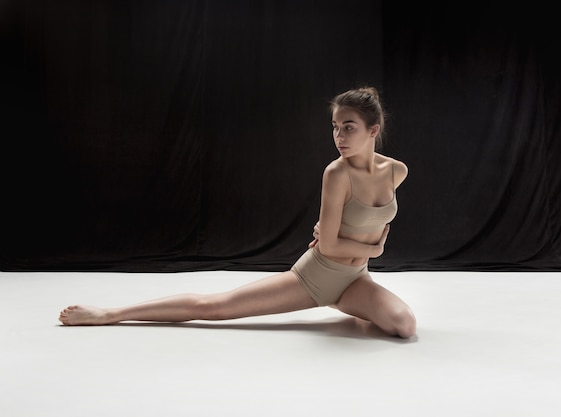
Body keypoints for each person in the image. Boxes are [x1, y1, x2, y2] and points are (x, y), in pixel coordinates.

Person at [59, 86, 417, 339]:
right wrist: (374, 250)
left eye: (349, 127)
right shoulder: (336, 172)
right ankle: (111, 314)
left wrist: (342, 241)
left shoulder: (396, 171)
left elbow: (347, 231)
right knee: (213, 308)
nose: (339, 136)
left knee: (404, 326)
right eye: (335, 127)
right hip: (315, 277)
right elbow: (327, 247)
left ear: (374, 129)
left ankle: (343, 305)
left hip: (355, 282)